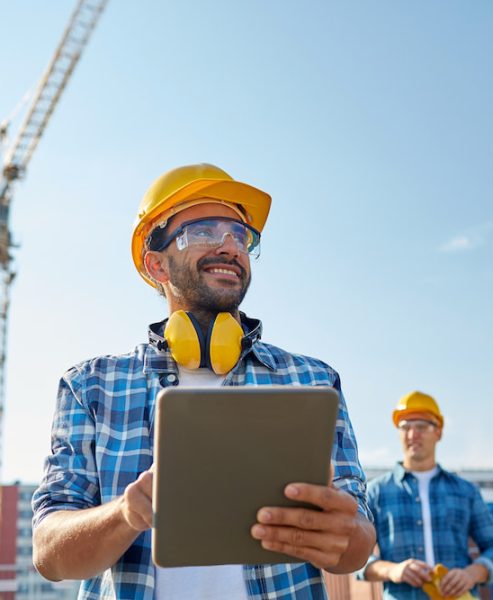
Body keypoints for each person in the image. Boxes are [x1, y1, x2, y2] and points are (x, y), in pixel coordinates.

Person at [31, 163, 375, 599]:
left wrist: (345, 535)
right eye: (204, 231)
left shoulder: (313, 380)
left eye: (239, 235)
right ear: (156, 264)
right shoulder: (91, 386)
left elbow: (358, 541)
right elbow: (49, 553)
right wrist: (126, 514)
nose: (230, 246)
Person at [357, 391, 493, 599]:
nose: (412, 435)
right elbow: (355, 557)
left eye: (421, 426)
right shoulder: (375, 492)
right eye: (405, 427)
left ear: (439, 432)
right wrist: (393, 570)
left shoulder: (466, 491)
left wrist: (471, 574)